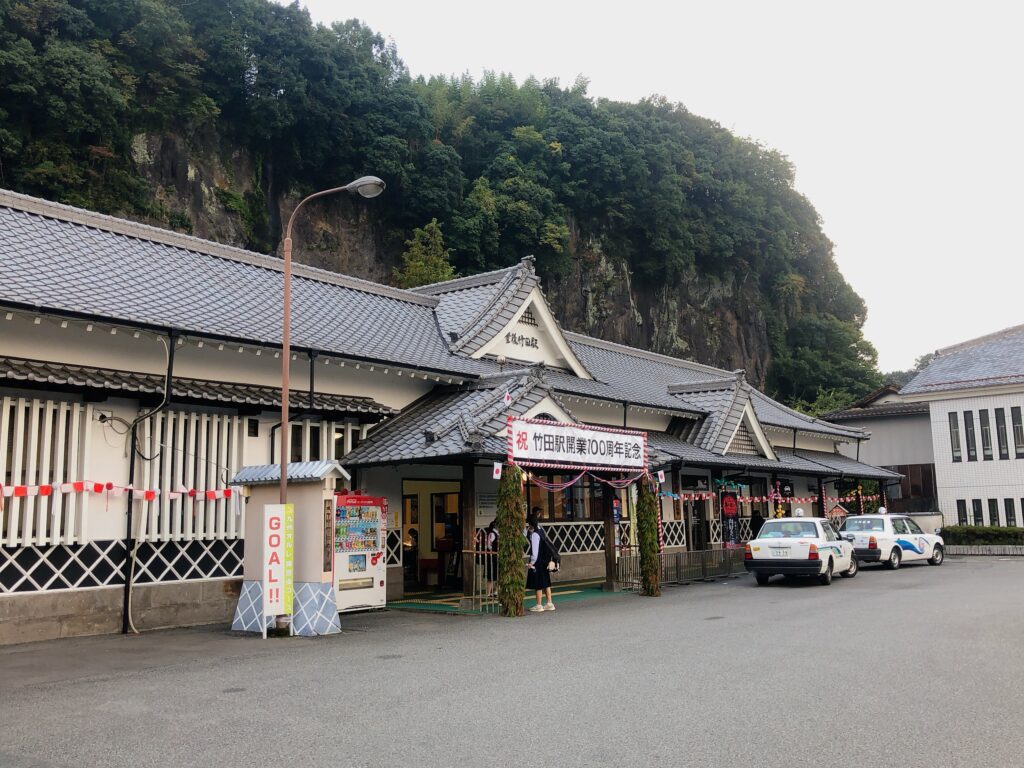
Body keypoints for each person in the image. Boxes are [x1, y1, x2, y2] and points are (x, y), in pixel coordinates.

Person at [526, 512, 555, 612]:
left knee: (538, 583)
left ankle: (538, 605)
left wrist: (532, 563)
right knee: (546, 582)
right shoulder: (541, 530)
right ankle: (549, 603)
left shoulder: (534, 535)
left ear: (530, 524)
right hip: (545, 560)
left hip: (537, 561)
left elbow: (534, 552)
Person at [482, 519, 498, 598]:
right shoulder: (492, 533)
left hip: (496, 556)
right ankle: (488, 593)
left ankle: (495, 591)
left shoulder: (498, 533)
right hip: (492, 556)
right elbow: (489, 546)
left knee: (497, 575)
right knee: (491, 576)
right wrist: (495, 550)